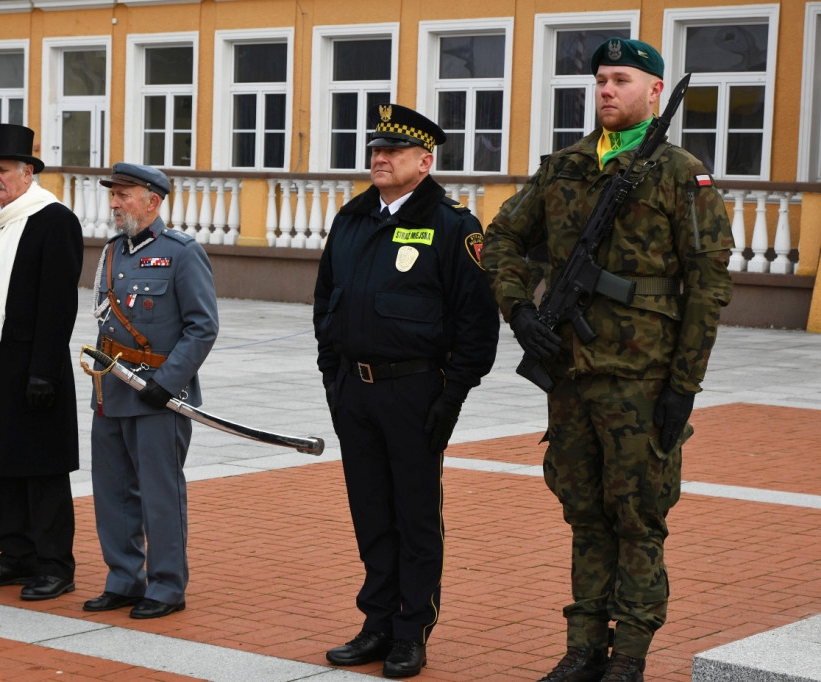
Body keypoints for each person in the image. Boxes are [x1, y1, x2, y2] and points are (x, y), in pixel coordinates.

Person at [481, 39, 734, 682]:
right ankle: (584, 646)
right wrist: (520, 312)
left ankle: (630, 658)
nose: (606, 91)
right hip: (570, 374)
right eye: (600, 80)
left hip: (643, 381)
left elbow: (708, 284)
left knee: (638, 519)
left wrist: (684, 386)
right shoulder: (564, 166)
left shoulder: (680, 173)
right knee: (584, 514)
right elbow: (504, 236)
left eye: (621, 80)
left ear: (654, 92)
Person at [313, 104, 500, 678]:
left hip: (417, 390)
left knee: (415, 515)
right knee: (370, 511)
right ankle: (376, 622)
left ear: (425, 161)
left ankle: (411, 630)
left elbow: (477, 323)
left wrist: (451, 396)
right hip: (356, 390)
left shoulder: (453, 225)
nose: (379, 157)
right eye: (375, 149)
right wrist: (333, 378)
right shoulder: (351, 218)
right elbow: (326, 303)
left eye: (392, 151)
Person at [82, 162, 218, 619]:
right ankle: (123, 578)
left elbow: (202, 327)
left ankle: (165, 585)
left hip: (158, 396)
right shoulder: (113, 253)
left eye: (123, 194)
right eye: (113, 195)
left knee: (160, 494)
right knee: (113, 492)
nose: (115, 203)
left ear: (153, 201)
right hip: (112, 392)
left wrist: (167, 383)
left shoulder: (181, 252)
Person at [0, 124, 84, 601]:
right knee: (2, 463)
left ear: (27, 172)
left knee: (43, 469)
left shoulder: (55, 220)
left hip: (38, 364)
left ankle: (55, 564)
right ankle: (15, 555)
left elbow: (59, 304)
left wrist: (42, 371)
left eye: (1, 169)